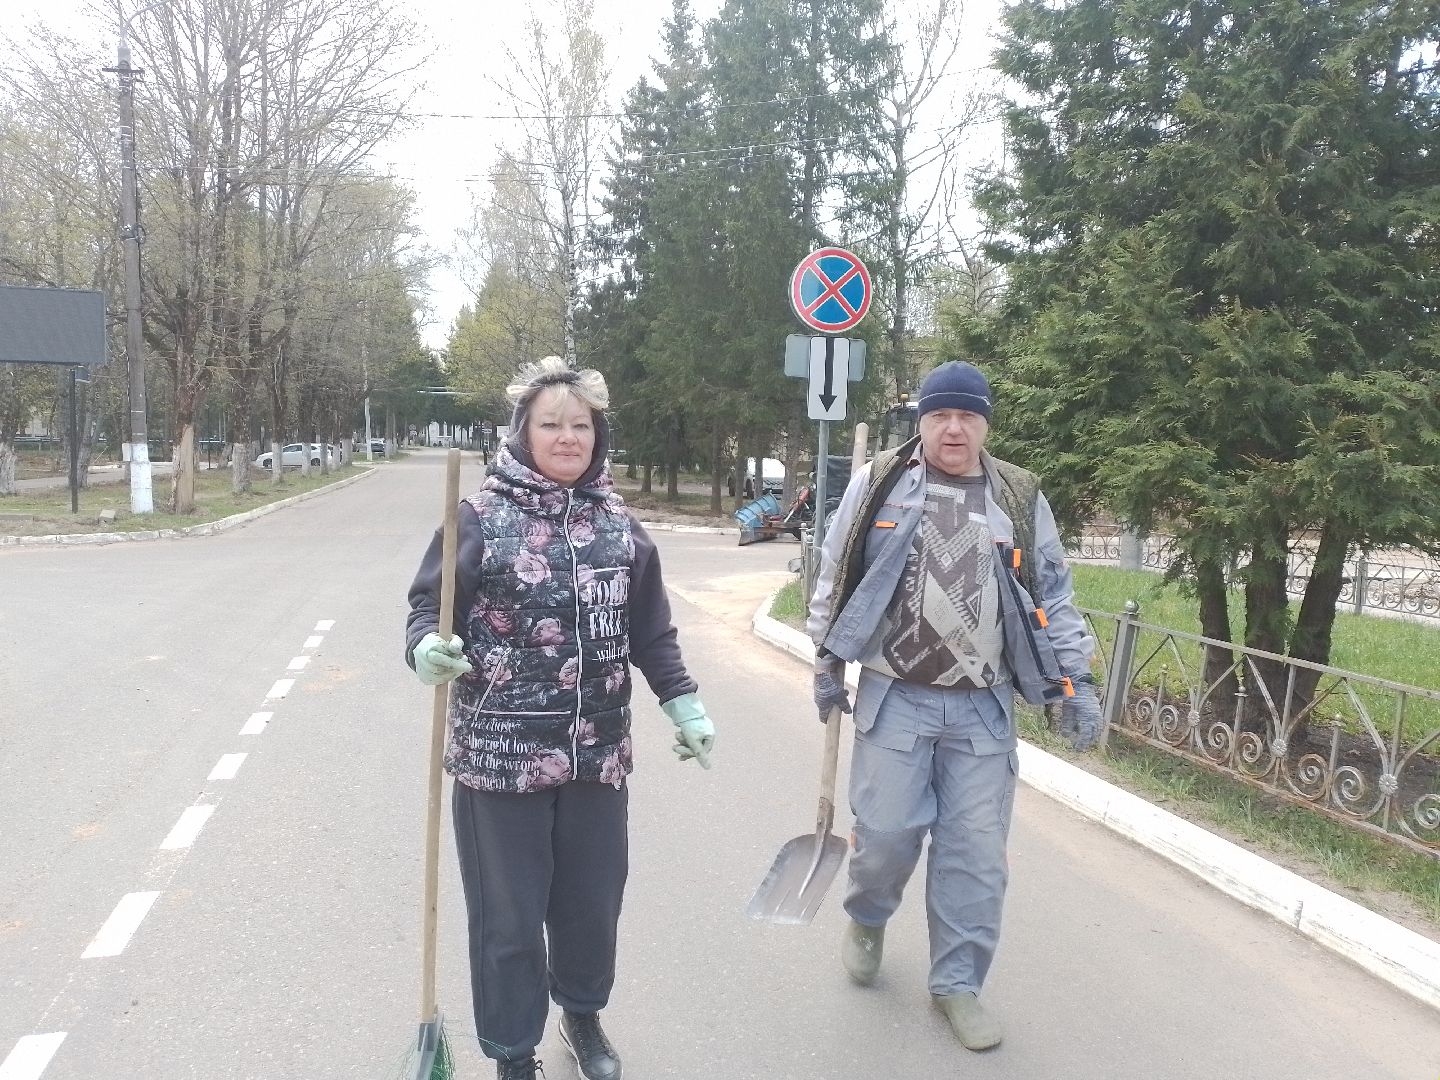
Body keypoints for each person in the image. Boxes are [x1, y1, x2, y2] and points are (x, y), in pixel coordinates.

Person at [405, 356, 716, 1080]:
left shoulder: (621, 527)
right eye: (551, 424)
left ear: (598, 436)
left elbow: (651, 633)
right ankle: (514, 1053)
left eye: (581, 425)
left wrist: (684, 703)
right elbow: (428, 606)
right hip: (499, 759)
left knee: (590, 906)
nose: (568, 437)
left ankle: (581, 1016)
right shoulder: (478, 518)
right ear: (524, 433)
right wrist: (426, 648)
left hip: (596, 756)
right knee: (509, 920)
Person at [806, 359, 1101, 1052]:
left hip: (982, 709)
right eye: (940, 414)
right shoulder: (879, 482)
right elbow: (836, 569)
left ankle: (958, 985)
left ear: (985, 423)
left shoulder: (1017, 495)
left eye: (967, 415)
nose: (954, 428)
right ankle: (869, 916)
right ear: (922, 421)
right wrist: (825, 655)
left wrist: (1076, 680)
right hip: (896, 697)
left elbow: (1053, 592)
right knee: (884, 838)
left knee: (975, 856)